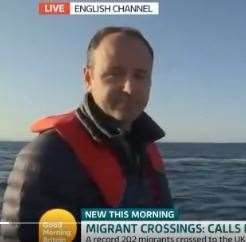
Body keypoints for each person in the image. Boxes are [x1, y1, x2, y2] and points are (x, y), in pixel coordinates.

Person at [0, 26, 173, 242]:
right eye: (114, 74)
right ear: (88, 78)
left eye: (140, 75)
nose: (129, 87)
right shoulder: (46, 156)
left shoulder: (145, 148)